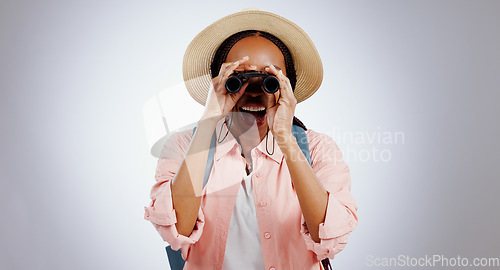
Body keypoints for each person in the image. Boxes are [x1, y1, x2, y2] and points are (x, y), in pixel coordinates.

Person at [144, 9, 358, 270]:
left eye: (270, 81)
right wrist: (209, 119)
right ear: (219, 82)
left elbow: (330, 238)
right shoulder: (181, 146)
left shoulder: (317, 148)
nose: (254, 94)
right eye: (238, 79)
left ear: (286, 86)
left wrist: (285, 138)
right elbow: (175, 230)